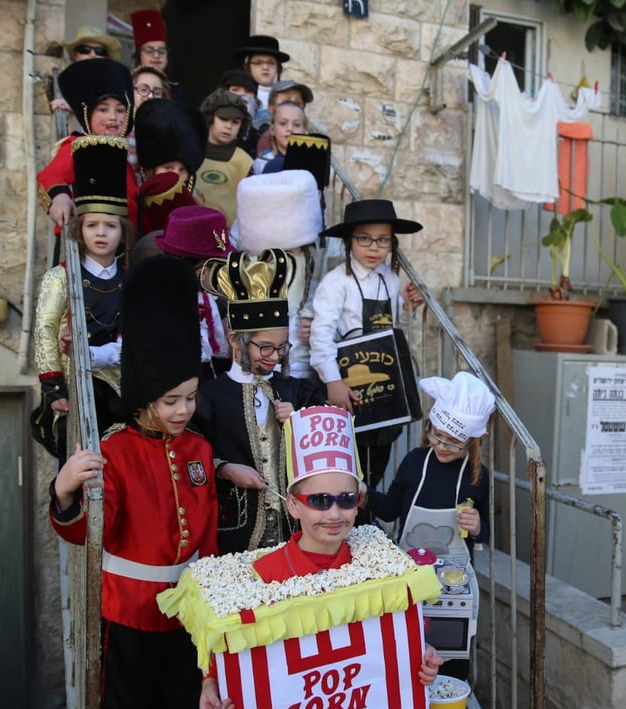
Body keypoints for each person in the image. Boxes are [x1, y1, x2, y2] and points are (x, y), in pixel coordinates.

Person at [50, 254, 215, 709]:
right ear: (145, 397)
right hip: (127, 617)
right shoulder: (115, 451)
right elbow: (88, 531)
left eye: (190, 398)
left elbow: (207, 537)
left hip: (185, 620)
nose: (183, 410)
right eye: (171, 400)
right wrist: (65, 488)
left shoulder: (198, 449)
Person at [199, 404, 443, 709]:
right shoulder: (264, 577)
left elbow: (403, 628)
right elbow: (231, 651)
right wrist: (212, 684)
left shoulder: (381, 569)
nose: (334, 514)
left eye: (346, 499)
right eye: (318, 501)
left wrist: (421, 653)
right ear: (293, 506)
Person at [370, 371, 494, 709]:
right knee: (404, 659)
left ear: (471, 442)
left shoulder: (477, 477)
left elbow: (487, 533)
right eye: (437, 436)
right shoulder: (412, 461)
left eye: (453, 442)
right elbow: (389, 510)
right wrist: (360, 492)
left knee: (452, 663)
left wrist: (477, 525)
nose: (442, 446)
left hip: (454, 581)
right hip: (409, 577)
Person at [194, 249, 326, 554]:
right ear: (234, 340)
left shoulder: (298, 392)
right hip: (236, 529)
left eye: (282, 347)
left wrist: (299, 423)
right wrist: (224, 468)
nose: (275, 357)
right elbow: (194, 454)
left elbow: (322, 450)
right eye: (264, 348)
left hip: (293, 530)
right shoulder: (209, 396)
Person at [309, 199, 425, 494]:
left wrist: (410, 304)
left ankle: (366, 521)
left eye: (382, 240)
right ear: (350, 241)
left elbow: (392, 319)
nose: (374, 247)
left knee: (377, 464)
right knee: (349, 461)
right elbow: (320, 335)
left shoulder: (390, 278)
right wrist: (332, 381)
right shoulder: (336, 283)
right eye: (365, 239)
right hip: (348, 385)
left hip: (383, 387)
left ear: (391, 243)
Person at [31, 136, 132, 460]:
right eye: (92, 225)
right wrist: (53, 385)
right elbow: (46, 329)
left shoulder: (132, 281)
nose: (101, 233)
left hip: (122, 395)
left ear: (123, 231)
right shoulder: (60, 277)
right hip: (76, 391)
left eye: (110, 225)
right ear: (79, 229)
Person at [230, 169, 323, 377]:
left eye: (295, 250)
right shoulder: (245, 281)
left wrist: (315, 331)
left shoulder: (314, 286)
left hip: (301, 370)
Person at [38, 58, 139, 231]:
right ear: (88, 114)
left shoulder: (125, 162)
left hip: (127, 247)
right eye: (103, 109)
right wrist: (61, 197)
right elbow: (51, 175)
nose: (113, 117)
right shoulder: (78, 146)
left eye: (120, 110)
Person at [154, 206, 236, 381]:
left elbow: (221, 349)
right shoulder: (156, 302)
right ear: (200, 270)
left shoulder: (209, 300)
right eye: (217, 268)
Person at [196, 89, 253, 225]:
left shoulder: (245, 162)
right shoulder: (191, 153)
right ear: (210, 118)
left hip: (228, 236)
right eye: (223, 118)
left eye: (235, 122)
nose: (228, 126)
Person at [233, 35, 289, 132]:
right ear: (247, 66)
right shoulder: (238, 93)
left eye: (271, 63)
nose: (265, 67)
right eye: (258, 63)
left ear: (278, 68)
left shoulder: (286, 97)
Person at [255, 79, 314, 154]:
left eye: (298, 103)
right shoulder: (265, 139)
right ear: (271, 108)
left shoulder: (312, 137)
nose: (292, 107)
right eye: (286, 102)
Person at [251, 100, 306, 175]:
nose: (290, 129)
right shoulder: (261, 162)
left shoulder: (314, 161)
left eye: (296, 125)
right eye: (283, 123)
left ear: (304, 131)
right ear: (272, 130)